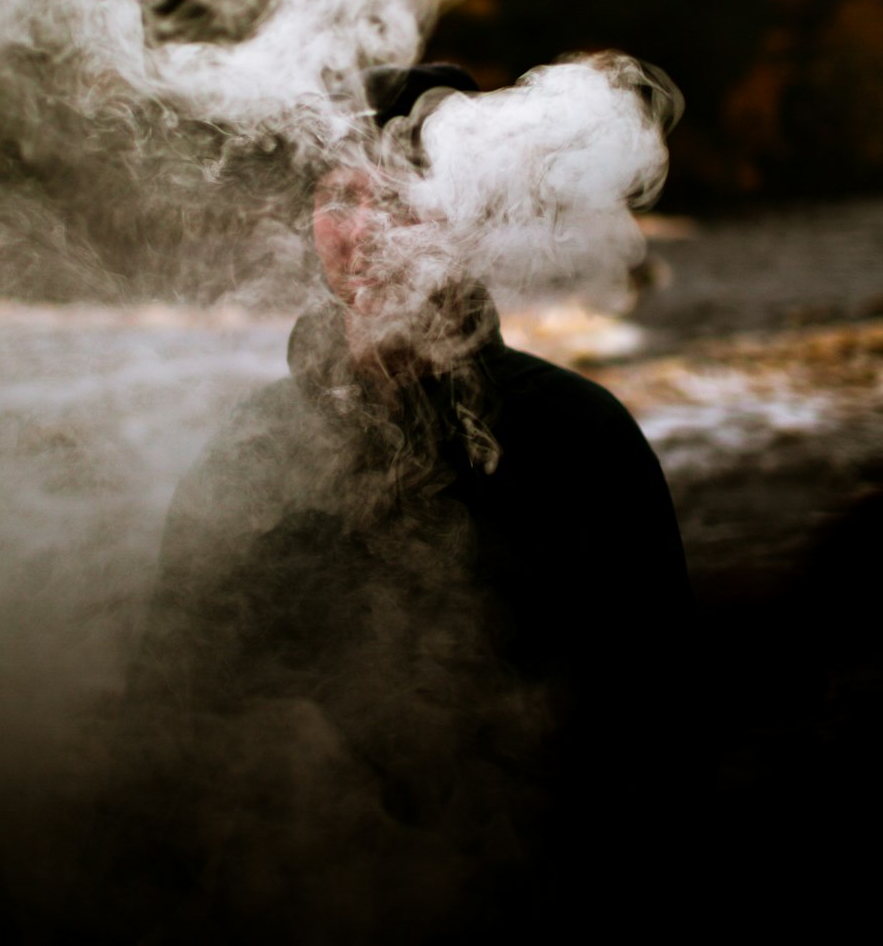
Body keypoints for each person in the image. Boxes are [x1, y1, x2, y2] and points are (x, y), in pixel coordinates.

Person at [120, 64, 695, 944]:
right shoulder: (254, 444)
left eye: (404, 196)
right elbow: (167, 697)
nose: (368, 231)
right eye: (340, 195)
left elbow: (651, 732)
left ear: (471, 222)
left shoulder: (579, 437)